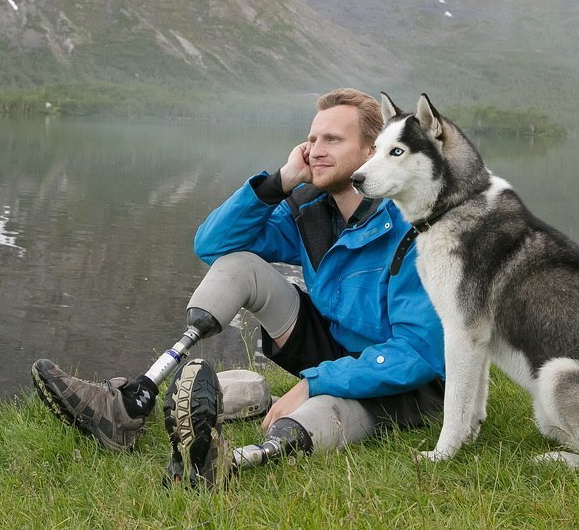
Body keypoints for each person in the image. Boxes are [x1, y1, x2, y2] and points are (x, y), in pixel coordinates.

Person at [31, 87, 446, 485]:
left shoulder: (412, 225)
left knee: (323, 407)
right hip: (337, 346)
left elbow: (418, 352)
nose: (316, 149)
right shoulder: (311, 210)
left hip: (409, 382)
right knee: (241, 265)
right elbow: (214, 245)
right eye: (311, 138)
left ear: (373, 150)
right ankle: (132, 400)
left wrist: (315, 382)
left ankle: (224, 464)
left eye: (333, 139)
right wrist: (281, 181)